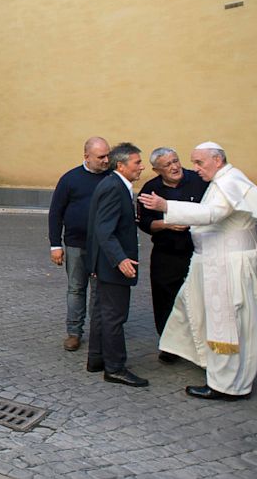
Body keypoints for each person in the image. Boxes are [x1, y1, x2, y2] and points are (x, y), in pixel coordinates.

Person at [139, 142, 257, 400]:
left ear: (217, 160)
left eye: (199, 163)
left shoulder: (228, 181)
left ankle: (227, 385)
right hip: (215, 261)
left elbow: (213, 213)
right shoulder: (222, 179)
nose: (194, 168)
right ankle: (211, 365)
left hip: (226, 265)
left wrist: (167, 207)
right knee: (190, 308)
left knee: (228, 324)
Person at [137, 147, 208, 362]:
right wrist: (166, 224)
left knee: (199, 297)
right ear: (157, 170)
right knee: (165, 299)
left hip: (198, 249)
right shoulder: (150, 189)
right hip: (166, 252)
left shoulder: (199, 181)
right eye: (167, 165)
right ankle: (169, 345)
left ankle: (200, 345)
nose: (175, 167)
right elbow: (145, 223)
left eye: (176, 161)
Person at [85, 142, 148, 387]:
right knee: (114, 316)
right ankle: (115, 367)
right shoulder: (114, 187)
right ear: (121, 165)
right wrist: (120, 259)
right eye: (137, 162)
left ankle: (97, 358)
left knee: (103, 312)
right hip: (112, 265)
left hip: (106, 263)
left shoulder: (114, 184)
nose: (142, 167)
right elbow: (104, 229)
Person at [48, 137, 111, 351]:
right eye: (101, 157)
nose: (106, 160)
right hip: (76, 244)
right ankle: (74, 332)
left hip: (103, 246)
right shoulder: (70, 179)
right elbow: (56, 212)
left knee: (99, 291)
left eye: (107, 155)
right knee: (76, 289)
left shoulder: (111, 178)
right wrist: (55, 245)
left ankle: (98, 333)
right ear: (86, 157)